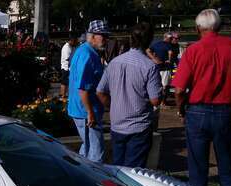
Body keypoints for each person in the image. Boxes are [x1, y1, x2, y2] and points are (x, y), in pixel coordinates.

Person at [173, 9, 231, 186]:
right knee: (227, 170)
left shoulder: (192, 50)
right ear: (219, 26)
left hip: (197, 111)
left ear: (198, 28)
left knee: (198, 170)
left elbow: (180, 89)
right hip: (226, 111)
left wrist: (181, 108)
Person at [96, 23, 163, 168]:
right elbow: (155, 100)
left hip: (117, 124)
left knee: (118, 168)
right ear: (149, 40)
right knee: (134, 173)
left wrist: (112, 105)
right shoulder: (149, 66)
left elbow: (100, 91)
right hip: (139, 126)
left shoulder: (114, 62)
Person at [67, 20, 109, 163]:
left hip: (83, 110)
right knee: (96, 152)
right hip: (85, 111)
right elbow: (83, 89)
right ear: (91, 36)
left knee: (88, 147)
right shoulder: (87, 55)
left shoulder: (85, 50)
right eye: (102, 35)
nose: (106, 39)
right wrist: (90, 113)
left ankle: (80, 175)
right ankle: (94, 180)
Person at [148, 32, 175, 103]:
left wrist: (153, 58)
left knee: (159, 85)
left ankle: (158, 101)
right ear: (166, 37)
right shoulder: (169, 45)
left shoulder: (156, 44)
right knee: (165, 86)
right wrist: (169, 60)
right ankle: (163, 102)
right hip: (166, 68)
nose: (172, 39)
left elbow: (148, 51)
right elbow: (170, 53)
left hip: (158, 67)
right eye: (170, 38)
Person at [59, 36, 78, 100]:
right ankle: (62, 96)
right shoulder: (66, 47)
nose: (75, 43)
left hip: (70, 67)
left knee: (68, 82)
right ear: (71, 41)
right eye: (74, 41)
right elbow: (68, 59)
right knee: (64, 82)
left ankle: (66, 95)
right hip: (66, 67)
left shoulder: (72, 46)